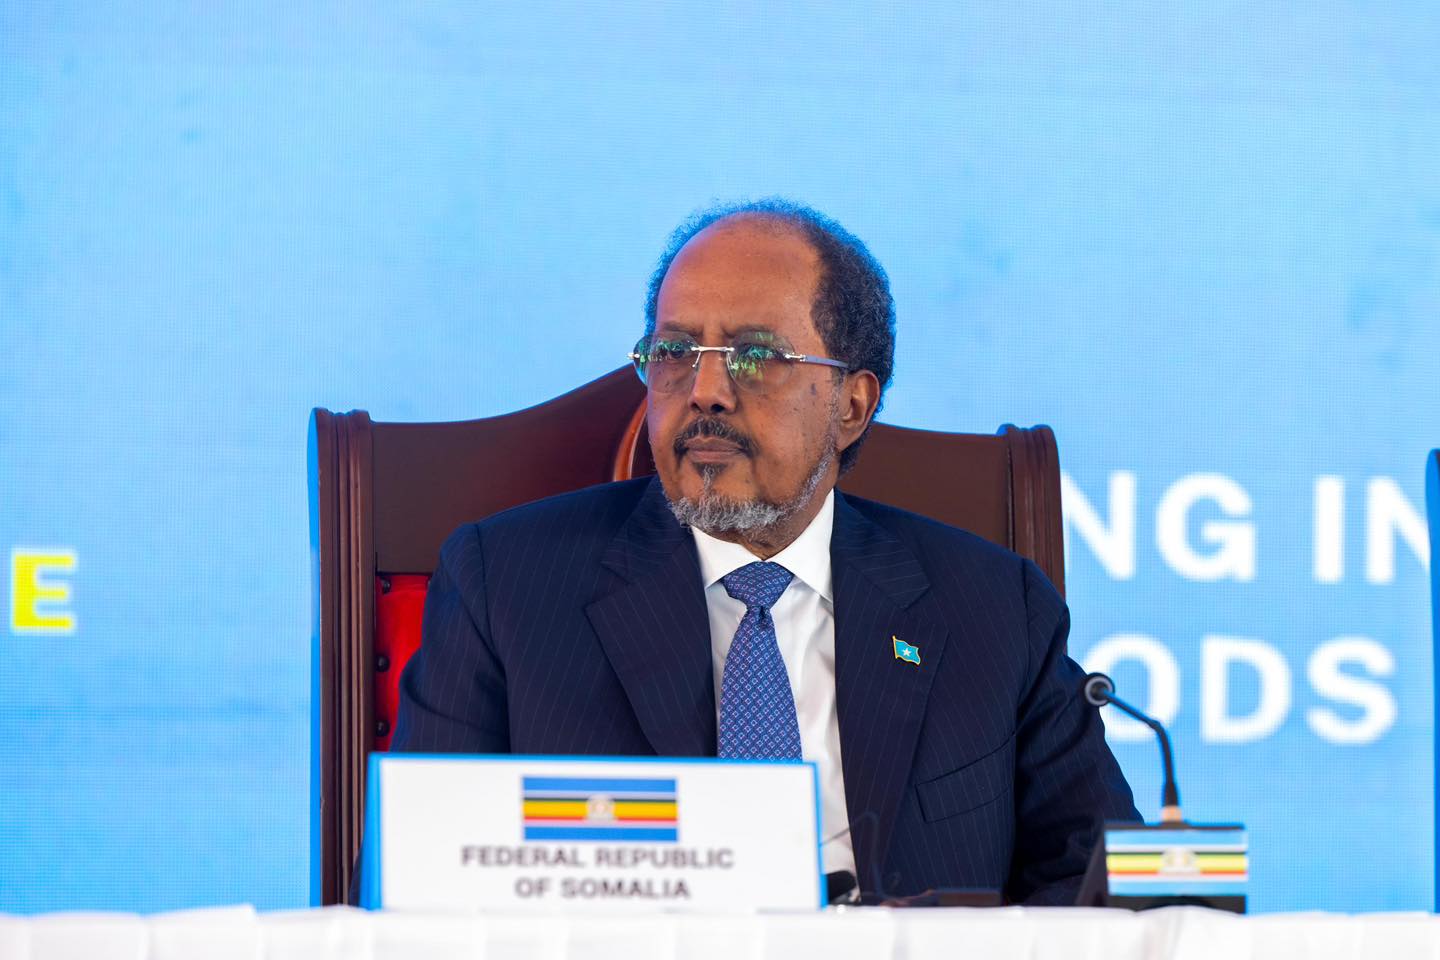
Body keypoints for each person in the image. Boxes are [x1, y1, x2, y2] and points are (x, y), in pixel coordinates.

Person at [392, 198, 1138, 904]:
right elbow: (417, 885)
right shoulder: (505, 588)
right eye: (675, 351)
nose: (705, 391)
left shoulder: (994, 611)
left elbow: (1114, 881)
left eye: (755, 355)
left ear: (851, 405)